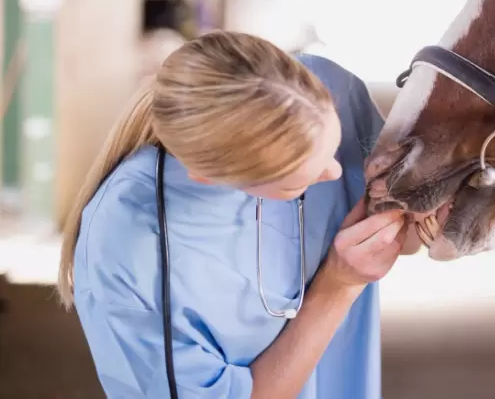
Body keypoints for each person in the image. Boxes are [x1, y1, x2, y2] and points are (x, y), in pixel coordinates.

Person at [56, 29, 414, 398]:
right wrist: (339, 286)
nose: (336, 174)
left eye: (335, 146)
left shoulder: (325, 88)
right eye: (295, 184)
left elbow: (415, 233)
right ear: (210, 177)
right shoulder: (129, 245)